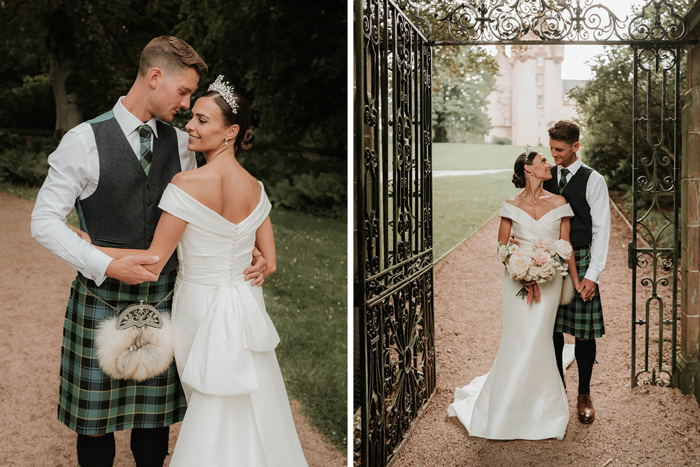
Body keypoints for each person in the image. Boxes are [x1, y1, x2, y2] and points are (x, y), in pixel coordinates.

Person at [30, 37, 266, 466]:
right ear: (155, 78)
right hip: (100, 300)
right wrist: (102, 261)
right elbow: (43, 220)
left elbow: (208, 208)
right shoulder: (83, 140)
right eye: (183, 92)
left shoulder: (183, 145)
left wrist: (247, 247)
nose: (187, 103)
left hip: (165, 298)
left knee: (154, 425)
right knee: (94, 423)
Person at [88, 77, 308, 466]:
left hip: (200, 306)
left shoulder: (186, 184)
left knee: (209, 403)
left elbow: (153, 264)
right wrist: (252, 262)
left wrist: (90, 247)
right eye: (191, 117)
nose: (190, 125)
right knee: (246, 402)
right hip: (244, 302)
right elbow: (269, 262)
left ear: (232, 132)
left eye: (203, 120)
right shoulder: (256, 188)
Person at [448, 150, 580, 440]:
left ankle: (543, 410)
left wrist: (576, 280)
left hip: (550, 280)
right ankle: (505, 408)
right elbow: (502, 248)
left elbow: (565, 245)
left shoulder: (559, 202)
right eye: (543, 161)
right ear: (528, 169)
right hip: (516, 281)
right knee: (518, 338)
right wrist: (521, 273)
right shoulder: (510, 205)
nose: (549, 165)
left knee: (539, 338)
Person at [543, 120, 610, 424]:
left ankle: (584, 393)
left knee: (584, 333)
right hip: (548, 261)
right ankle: (557, 388)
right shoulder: (546, 175)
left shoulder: (593, 180)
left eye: (559, 149)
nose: (554, 155)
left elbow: (602, 229)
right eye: (552, 148)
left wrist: (592, 274)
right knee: (552, 328)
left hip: (581, 259)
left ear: (575, 147)